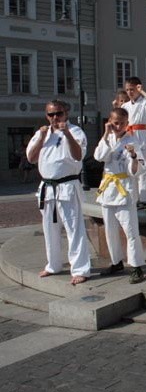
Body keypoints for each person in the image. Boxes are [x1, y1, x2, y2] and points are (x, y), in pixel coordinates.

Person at [26, 100, 90, 285]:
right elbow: (31, 158)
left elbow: (78, 156)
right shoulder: (42, 133)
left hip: (67, 186)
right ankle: (53, 265)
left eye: (58, 114)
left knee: (74, 229)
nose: (55, 118)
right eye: (51, 114)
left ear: (66, 113)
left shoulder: (76, 131)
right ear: (47, 116)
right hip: (47, 188)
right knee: (49, 229)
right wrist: (41, 137)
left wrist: (66, 133)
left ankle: (80, 269)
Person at [94, 108, 146, 284]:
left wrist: (132, 155)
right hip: (108, 189)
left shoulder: (133, 141)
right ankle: (116, 262)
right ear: (110, 121)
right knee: (110, 230)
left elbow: (138, 170)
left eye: (122, 123)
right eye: (115, 123)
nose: (118, 126)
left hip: (124, 190)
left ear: (127, 123)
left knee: (131, 231)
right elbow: (99, 157)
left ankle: (137, 267)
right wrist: (106, 134)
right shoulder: (107, 138)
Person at [122, 77, 146, 205]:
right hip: (128, 135)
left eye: (132, 89)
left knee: (143, 164)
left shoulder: (145, 103)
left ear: (138, 88)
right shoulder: (125, 106)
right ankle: (133, 197)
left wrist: (142, 91)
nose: (129, 92)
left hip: (141, 135)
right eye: (127, 90)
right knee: (131, 164)